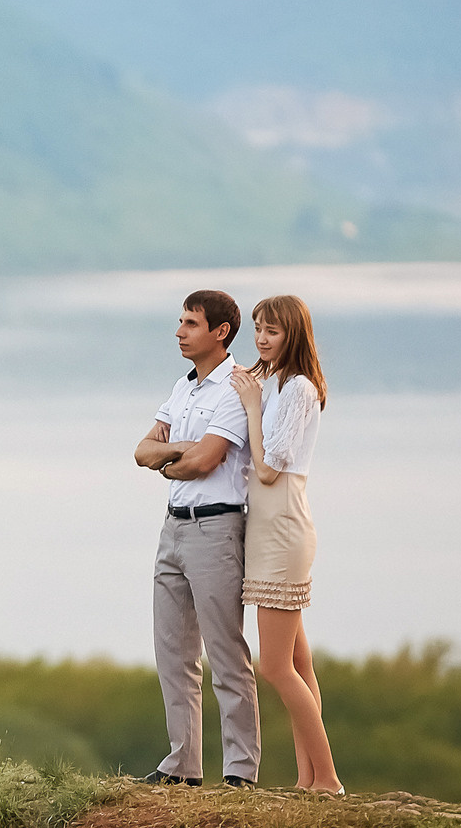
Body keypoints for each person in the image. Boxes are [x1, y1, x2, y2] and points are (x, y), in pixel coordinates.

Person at [132, 289, 259, 788]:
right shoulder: (183, 388)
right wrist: (180, 450)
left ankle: (240, 771)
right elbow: (143, 450)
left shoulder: (237, 387)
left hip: (216, 527)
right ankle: (183, 765)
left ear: (220, 332)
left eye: (190, 323)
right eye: (181, 321)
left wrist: (175, 456)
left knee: (226, 653)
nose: (180, 331)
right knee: (173, 653)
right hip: (174, 528)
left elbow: (208, 462)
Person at [231, 293, 341, 793]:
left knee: (273, 665)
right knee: (297, 663)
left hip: (283, 526)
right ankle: (308, 779)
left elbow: (270, 468)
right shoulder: (275, 383)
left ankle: (330, 779)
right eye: (257, 328)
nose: (260, 338)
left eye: (271, 331)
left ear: (293, 334)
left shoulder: (297, 388)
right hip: (268, 528)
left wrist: (252, 408)